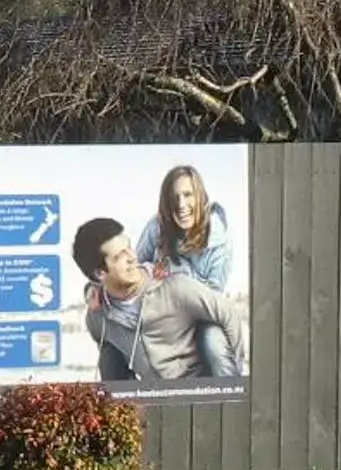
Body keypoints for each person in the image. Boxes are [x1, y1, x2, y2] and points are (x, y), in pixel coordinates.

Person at [72, 216, 248, 385]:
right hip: (155, 400)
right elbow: (109, 357)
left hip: (201, 394)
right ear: (100, 273)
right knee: (108, 355)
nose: (132, 258)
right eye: (119, 257)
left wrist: (235, 379)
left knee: (213, 334)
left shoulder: (175, 286)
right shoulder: (97, 316)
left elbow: (229, 314)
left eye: (129, 247)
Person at [132, 165, 239, 376]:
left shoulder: (219, 238)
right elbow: (133, 270)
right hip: (159, 317)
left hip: (202, 316)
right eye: (174, 198)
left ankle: (230, 397)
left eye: (188, 195)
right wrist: (94, 288)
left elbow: (213, 297)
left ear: (199, 196)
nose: (181, 205)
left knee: (214, 343)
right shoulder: (157, 227)